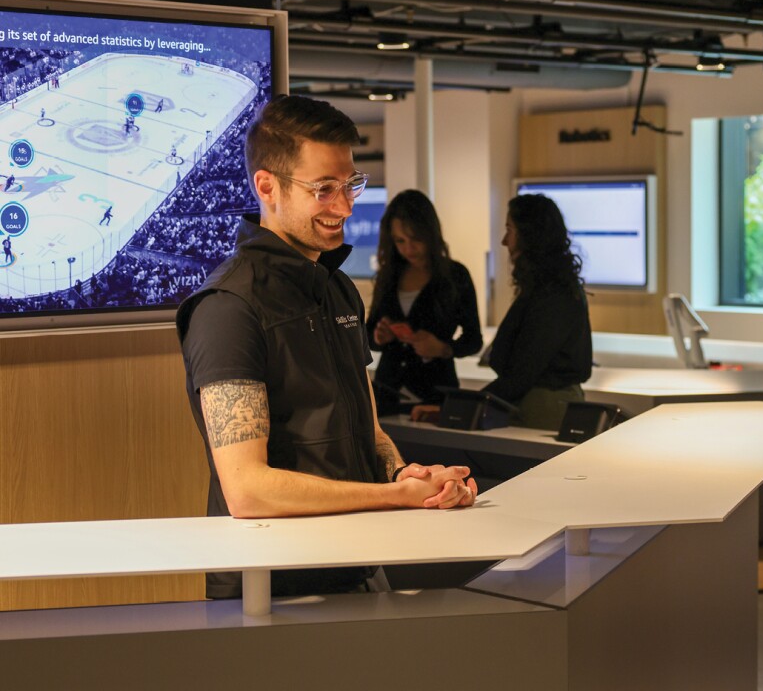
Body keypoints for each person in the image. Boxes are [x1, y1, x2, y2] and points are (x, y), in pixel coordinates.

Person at [176, 95, 476, 601]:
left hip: (354, 563)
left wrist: (411, 476)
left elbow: (369, 432)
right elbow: (248, 489)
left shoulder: (337, 288)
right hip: (271, 587)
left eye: (350, 185)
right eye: (323, 189)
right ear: (267, 187)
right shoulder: (228, 306)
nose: (345, 206)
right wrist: (394, 496)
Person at [413, 194, 592, 430]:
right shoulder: (548, 289)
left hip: (541, 409)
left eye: (510, 229)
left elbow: (522, 372)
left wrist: (460, 406)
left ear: (530, 236)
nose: (504, 241)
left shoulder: (552, 294)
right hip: (534, 404)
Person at [367, 189, 482, 414]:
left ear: (430, 234)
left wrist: (443, 349)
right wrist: (379, 336)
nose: (408, 249)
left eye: (416, 239)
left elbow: (473, 339)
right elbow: (369, 335)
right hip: (387, 393)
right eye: (400, 241)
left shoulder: (455, 276)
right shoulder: (389, 276)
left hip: (435, 395)